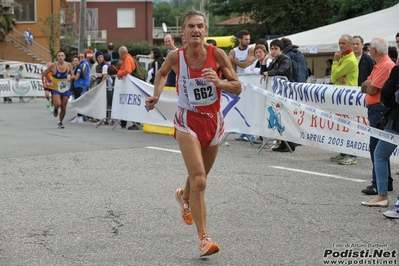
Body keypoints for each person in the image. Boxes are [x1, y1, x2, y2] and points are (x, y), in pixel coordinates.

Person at [146, 10, 242, 257]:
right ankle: (204, 239)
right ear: (184, 33)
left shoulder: (217, 55)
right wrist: (157, 94)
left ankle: (183, 196)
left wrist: (219, 83)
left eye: (200, 26)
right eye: (191, 26)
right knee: (199, 179)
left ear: (206, 31)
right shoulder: (175, 57)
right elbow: (161, 73)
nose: (196, 30)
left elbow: (238, 87)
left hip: (213, 124)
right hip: (187, 122)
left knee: (198, 176)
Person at [359, 37, 395, 198]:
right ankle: (384, 181)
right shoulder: (379, 65)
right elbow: (365, 85)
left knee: (377, 148)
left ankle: (378, 184)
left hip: (379, 110)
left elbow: (371, 89)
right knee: (379, 148)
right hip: (376, 110)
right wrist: (368, 84)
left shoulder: (386, 66)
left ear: (373, 50)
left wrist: (369, 84)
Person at [260, 39, 295, 152]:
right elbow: (264, 71)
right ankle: (282, 142)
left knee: (286, 118)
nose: (273, 51)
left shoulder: (285, 59)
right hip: (276, 93)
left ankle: (290, 144)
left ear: (281, 50)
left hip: (285, 93)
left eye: (276, 49)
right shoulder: (274, 60)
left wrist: (268, 73)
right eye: (272, 48)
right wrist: (265, 61)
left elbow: (281, 71)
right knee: (279, 117)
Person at [329, 34, 359, 165]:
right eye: (339, 43)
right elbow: (333, 78)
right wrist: (337, 77)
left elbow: (335, 74)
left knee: (350, 125)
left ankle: (352, 155)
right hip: (341, 94)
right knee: (342, 125)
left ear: (350, 45)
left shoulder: (349, 59)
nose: (340, 46)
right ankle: (343, 152)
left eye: (343, 43)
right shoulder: (344, 56)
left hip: (348, 96)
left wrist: (335, 62)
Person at [42, 50, 74, 129]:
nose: (60, 57)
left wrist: (70, 77)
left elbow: (73, 75)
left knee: (63, 106)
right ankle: (55, 108)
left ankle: (60, 122)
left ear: (64, 57)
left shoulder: (68, 65)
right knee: (58, 104)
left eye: (62, 56)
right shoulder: (53, 65)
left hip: (65, 89)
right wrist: (50, 81)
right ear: (57, 57)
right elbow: (44, 73)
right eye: (59, 56)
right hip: (56, 88)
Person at [117, 46, 138, 130]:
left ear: (121, 53)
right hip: (128, 85)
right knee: (126, 103)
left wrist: (119, 73)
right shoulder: (126, 59)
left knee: (128, 103)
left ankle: (133, 122)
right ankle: (124, 122)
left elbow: (128, 70)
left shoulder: (127, 59)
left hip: (130, 86)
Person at [71, 52, 91, 124]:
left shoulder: (84, 65)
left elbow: (80, 76)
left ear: (85, 58)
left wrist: (70, 77)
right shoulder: (79, 66)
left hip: (82, 85)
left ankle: (82, 117)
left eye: (82, 57)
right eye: (80, 57)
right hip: (78, 85)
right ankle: (79, 116)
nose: (80, 58)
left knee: (81, 101)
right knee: (78, 101)